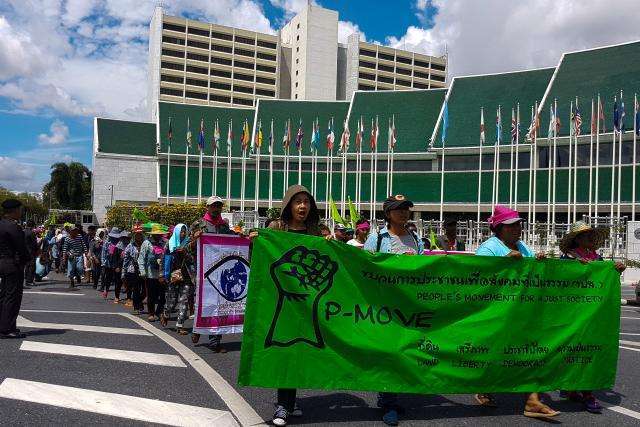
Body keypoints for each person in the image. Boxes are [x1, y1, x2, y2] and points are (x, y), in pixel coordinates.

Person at [475, 205, 559, 419]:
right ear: (500, 228)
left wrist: (538, 262)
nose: (517, 228)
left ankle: (532, 401)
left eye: (519, 224)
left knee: (531, 352)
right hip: (497, 312)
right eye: (512, 225)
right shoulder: (489, 247)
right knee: (496, 353)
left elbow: (531, 271)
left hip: (522, 311)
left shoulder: (523, 247)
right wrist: (502, 263)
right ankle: (484, 386)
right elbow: (476, 275)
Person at [261, 184, 324, 426]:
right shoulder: (275, 228)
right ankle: (283, 405)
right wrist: (256, 241)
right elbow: (261, 262)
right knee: (284, 352)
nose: (302, 206)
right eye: (297, 201)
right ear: (288, 204)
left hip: (307, 306)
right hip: (281, 301)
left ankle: (290, 400)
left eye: (306, 202)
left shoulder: (315, 233)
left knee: (298, 354)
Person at [364, 195, 423, 426]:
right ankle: (388, 401)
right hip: (384, 305)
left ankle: (391, 396)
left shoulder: (416, 239)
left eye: (406, 209)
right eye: (398, 210)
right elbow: (364, 268)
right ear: (388, 213)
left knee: (404, 352)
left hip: (408, 304)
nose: (403, 213)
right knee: (390, 353)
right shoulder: (377, 238)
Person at [558, 221, 625, 414]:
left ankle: (581, 390)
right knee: (574, 350)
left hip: (592, 312)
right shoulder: (568, 258)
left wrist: (616, 270)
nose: (589, 238)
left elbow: (604, 278)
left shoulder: (597, 258)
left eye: (590, 234)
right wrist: (578, 268)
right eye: (586, 235)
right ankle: (581, 391)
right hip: (573, 312)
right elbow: (561, 281)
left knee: (588, 351)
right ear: (577, 239)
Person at [190, 195, 235, 351]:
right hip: (203, 270)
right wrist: (194, 240)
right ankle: (197, 328)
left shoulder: (224, 226)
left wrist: (241, 237)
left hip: (220, 271)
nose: (216, 209)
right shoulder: (198, 224)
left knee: (219, 304)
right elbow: (187, 249)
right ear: (207, 207)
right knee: (202, 303)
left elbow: (232, 243)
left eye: (219, 206)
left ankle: (215, 341)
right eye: (214, 206)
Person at [0, 199, 30, 339]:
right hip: (13, 264)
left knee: (4, 295)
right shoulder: (13, 227)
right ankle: (7, 329)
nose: (21, 212)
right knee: (13, 297)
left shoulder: (1, 225)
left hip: (2, 262)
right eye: (19, 210)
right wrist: (26, 260)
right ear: (14, 211)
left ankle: (4, 326)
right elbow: (22, 248)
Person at [161, 223, 194, 335]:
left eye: (185, 231)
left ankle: (180, 325)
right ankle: (165, 314)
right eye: (181, 231)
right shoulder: (169, 245)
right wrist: (162, 274)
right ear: (176, 232)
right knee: (172, 301)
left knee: (183, 301)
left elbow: (193, 260)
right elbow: (163, 261)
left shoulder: (189, 244)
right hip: (173, 276)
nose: (183, 234)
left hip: (186, 276)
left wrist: (185, 253)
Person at [138, 224, 167, 321]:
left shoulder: (164, 243)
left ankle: (159, 311)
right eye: (156, 234)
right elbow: (141, 258)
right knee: (151, 295)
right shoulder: (147, 243)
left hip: (162, 273)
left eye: (160, 234)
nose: (158, 236)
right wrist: (142, 271)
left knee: (163, 295)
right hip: (151, 273)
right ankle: (151, 313)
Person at [123, 226, 145, 314]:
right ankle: (136, 307)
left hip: (144, 269)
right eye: (137, 235)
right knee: (136, 289)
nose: (139, 236)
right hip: (133, 269)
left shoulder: (146, 244)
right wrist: (123, 271)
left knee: (145, 290)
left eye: (140, 235)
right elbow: (126, 258)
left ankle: (140, 302)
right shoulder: (130, 246)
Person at [62, 224, 88, 288]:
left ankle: (78, 275)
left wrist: (86, 252)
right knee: (70, 270)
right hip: (71, 256)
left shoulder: (79, 236)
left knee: (80, 268)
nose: (76, 232)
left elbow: (83, 244)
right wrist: (64, 258)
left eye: (76, 230)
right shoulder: (67, 239)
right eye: (74, 230)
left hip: (79, 255)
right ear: (70, 231)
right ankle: (72, 282)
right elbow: (65, 249)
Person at [101, 227, 122, 299]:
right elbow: (103, 253)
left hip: (117, 264)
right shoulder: (107, 242)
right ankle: (106, 290)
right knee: (108, 278)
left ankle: (117, 296)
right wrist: (103, 263)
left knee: (117, 280)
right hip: (108, 263)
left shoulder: (120, 243)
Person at [23, 219, 37, 287]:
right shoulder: (32, 233)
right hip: (31, 251)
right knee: (32, 266)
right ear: (32, 225)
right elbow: (34, 244)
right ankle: (29, 281)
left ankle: (26, 279)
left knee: (26, 266)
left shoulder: (23, 231)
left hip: (24, 251)